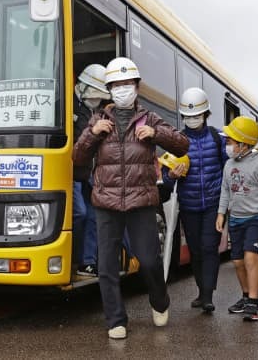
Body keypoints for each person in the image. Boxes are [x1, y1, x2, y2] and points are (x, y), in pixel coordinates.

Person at [73, 57, 189, 339]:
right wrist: (91, 134)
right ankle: (115, 320)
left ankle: (159, 301)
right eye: (116, 85)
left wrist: (157, 133)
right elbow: (77, 159)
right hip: (106, 202)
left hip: (141, 201)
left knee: (149, 260)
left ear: (137, 87)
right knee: (107, 265)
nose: (122, 89)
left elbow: (182, 143)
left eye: (128, 84)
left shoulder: (149, 118)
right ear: (109, 89)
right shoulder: (98, 120)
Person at [161, 87, 228, 313]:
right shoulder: (176, 142)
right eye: (188, 117)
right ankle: (201, 291)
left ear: (206, 114)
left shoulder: (218, 139)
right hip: (188, 206)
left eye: (196, 116)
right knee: (196, 250)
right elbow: (166, 179)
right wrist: (171, 175)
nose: (192, 120)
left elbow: (228, 170)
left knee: (209, 248)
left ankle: (208, 296)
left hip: (213, 204)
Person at [215, 116, 258, 321]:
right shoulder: (228, 165)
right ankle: (245, 297)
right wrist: (221, 213)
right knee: (238, 262)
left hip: (256, 219)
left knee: (251, 259)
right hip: (236, 220)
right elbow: (225, 191)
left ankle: (254, 304)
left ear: (243, 143)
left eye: (230, 141)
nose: (227, 145)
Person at [73, 64, 110, 276]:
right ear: (84, 86)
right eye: (95, 93)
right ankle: (75, 257)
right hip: (72, 174)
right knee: (79, 212)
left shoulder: (94, 111)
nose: (97, 99)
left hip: (89, 175)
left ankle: (88, 261)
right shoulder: (67, 105)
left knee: (93, 215)